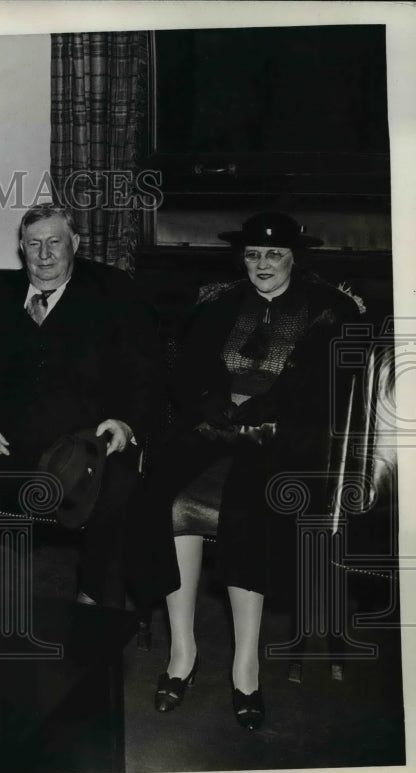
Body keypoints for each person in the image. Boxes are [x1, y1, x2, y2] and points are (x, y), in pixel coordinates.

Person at [150, 211, 362, 730]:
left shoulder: (329, 309)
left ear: (294, 258)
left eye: (274, 254)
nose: (262, 263)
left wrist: (264, 414)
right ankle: (182, 653)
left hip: (284, 440)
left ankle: (246, 667)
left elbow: (328, 390)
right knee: (162, 498)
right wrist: (213, 407)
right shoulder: (217, 302)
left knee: (246, 511)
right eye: (252, 254)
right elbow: (185, 373)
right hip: (215, 428)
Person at [0, 204, 179, 608]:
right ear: (21, 248)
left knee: (121, 489)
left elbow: (147, 372)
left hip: (86, 451)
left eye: (54, 242)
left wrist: (127, 424)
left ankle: (93, 607)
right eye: (33, 244)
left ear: (74, 243)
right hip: (9, 449)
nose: (44, 255)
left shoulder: (114, 291)